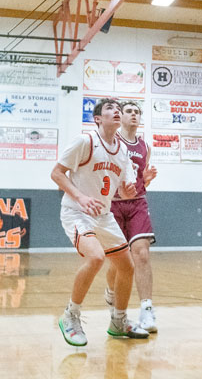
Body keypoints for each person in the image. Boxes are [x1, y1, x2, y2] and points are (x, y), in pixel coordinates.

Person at [51, 98, 149, 346]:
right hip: (76, 211)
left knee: (126, 267)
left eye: (118, 109)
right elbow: (57, 173)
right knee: (95, 257)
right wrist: (81, 197)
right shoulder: (85, 141)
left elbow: (125, 193)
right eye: (110, 109)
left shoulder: (123, 151)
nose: (116, 111)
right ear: (98, 118)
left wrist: (130, 188)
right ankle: (70, 316)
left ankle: (118, 321)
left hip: (103, 216)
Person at [105, 101, 158, 332]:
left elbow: (141, 179)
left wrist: (146, 178)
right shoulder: (111, 142)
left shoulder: (145, 146)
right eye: (129, 111)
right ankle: (110, 290)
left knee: (142, 255)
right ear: (121, 117)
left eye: (137, 112)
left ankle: (147, 310)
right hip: (114, 205)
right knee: (119, 262)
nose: (134, 115)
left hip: (137, 203)